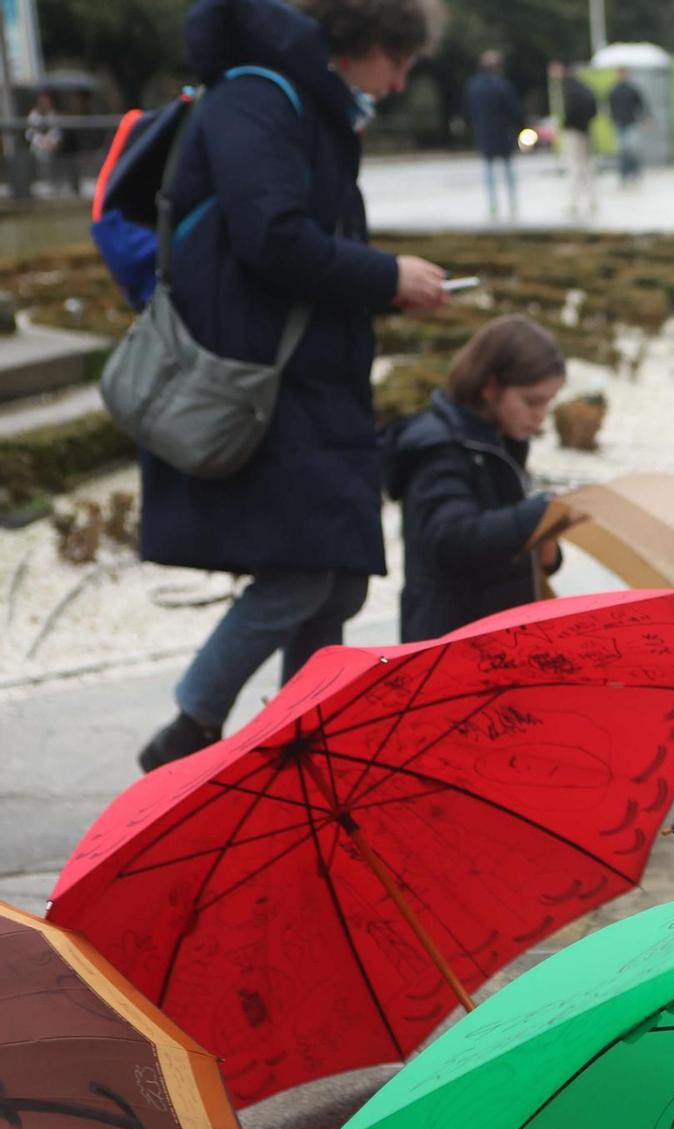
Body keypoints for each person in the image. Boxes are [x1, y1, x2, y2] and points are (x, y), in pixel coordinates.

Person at [137, 0, 449, 772]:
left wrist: (380, 281)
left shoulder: (304, 102)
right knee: (306, 568)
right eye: (397, 62)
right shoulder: (259, 96)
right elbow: (272, 238)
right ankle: (191, 724)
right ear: (356, 42)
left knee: (338, 576)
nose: (399, 83)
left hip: (308, 374)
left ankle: (306, 742)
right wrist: (385, 276)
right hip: (266, 380)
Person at [387, 316, 573, 640]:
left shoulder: (502, 441)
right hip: (448, 635)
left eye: (548, 402)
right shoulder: (439, 447)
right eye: (532, 401)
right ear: (490, 387)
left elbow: (500, 538)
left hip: (494, 630)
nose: (541, 414)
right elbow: (447, 540)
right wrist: (533, 516)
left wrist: (546, 551)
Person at [463, 50, 522, 220]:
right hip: (503, 131)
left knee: (488, 169)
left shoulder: (473, 86)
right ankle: (512, 202)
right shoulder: (502, 85)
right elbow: (514, 110)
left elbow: (467, 110)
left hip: (484, 132)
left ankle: (493, 204)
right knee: (508, 169)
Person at [552, 59, 599, 220]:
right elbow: (593, 107)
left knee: (573, 167)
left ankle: (573, 202)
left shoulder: (568, 88)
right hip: (585, 131)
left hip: (573, 132)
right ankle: (592, 200)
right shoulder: (583, 86)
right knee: (586, 166)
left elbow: (571, 111)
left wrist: (568, 124)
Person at [608, 67, 648, 186]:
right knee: (622, 150)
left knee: (631, 149)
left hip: (631, 123)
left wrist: (645, 118)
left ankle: (635, 172)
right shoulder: (613, 90)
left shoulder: (632, 89)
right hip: (619, 123)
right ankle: (624, 174)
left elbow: (641, 104)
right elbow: (610, 106)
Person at [25, 93, 61, 191]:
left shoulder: (52, 115)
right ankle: (41, 184)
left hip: (51, 147)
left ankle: (52, 184)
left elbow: (56, 133)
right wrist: (42, 142)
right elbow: (29, 135)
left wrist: (52, 142)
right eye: (42, 101)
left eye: (47, 101)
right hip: (37, 148)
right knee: (41, 156)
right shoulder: (33, 115)